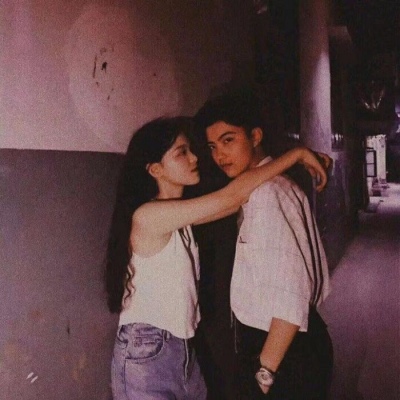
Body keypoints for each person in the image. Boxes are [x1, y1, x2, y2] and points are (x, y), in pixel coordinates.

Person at [105, 116, 330, 400]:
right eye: (182, 152)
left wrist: (291, 165)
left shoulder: (180, 216)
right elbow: (231, 197)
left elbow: (238, 197)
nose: (195, 157)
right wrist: (296, 155)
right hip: (147, 353)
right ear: (155, 169)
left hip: (182, 350)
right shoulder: (149, 216)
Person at [195, 93, 333, 400]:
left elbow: (290, 303)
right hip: (290, 346)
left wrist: (263, 376)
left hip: (281, 354)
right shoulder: (264, 187)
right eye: (213, 146)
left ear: (255, 136)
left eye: (228, 140)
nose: (220, 154)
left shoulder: (267, 196)